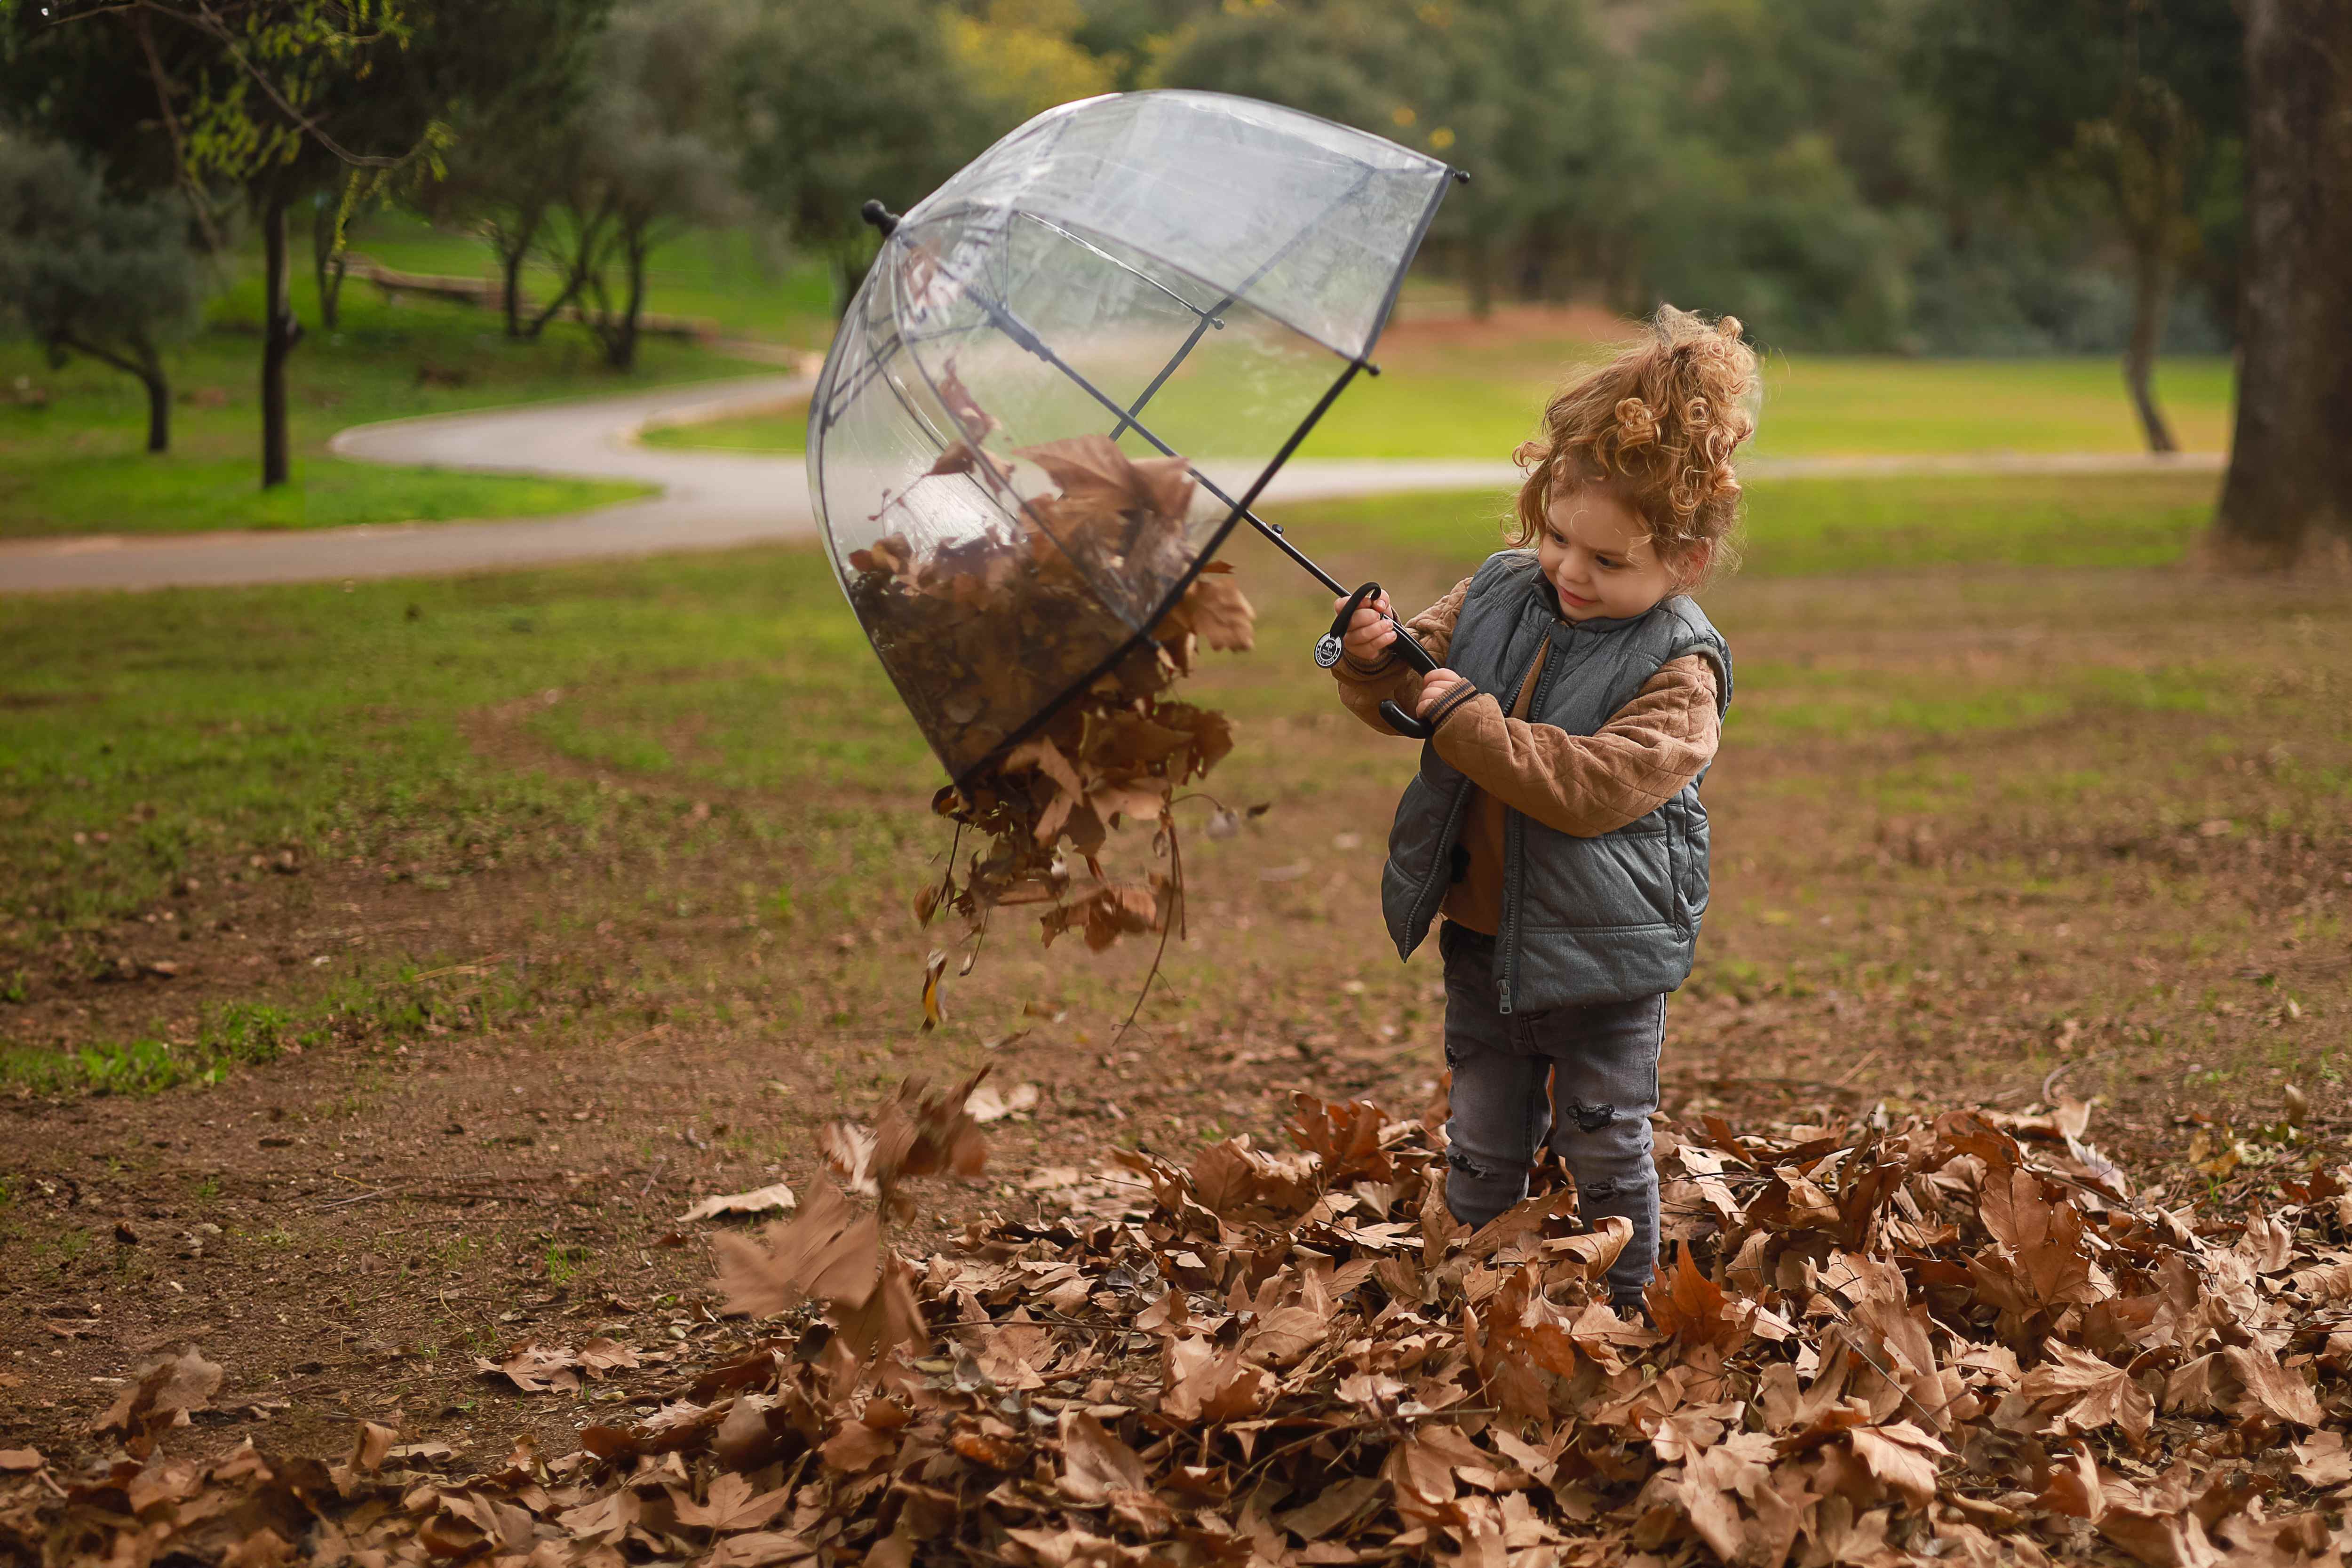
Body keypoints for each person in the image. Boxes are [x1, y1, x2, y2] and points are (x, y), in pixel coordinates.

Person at [1329, 306, 1756, 1311]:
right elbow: (1416, 687)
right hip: (1485, 929)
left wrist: (1469, 722)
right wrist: (1370, 659)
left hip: (1604, 954)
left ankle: (1628, 1305)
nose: (1569, 570)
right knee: (1481, 1137)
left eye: (1608, 561)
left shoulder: (1681, 669)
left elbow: (1593, 787)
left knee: (1602, 1140)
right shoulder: (1499, 589)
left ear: (1685, 562)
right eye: (1558, 537)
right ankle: (1478, 1295)